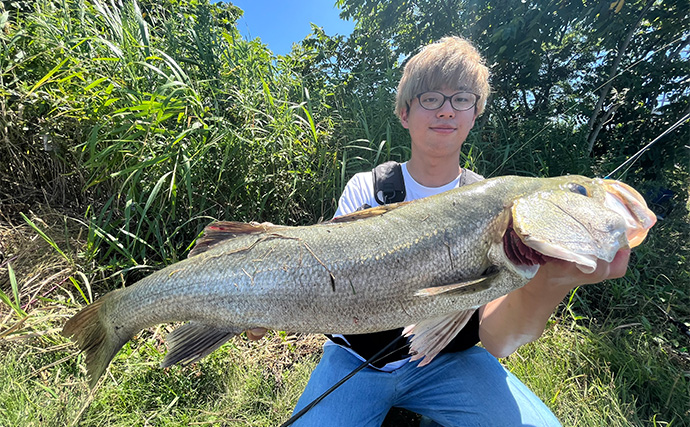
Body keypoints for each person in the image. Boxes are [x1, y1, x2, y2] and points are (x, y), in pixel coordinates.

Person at [248, 36, 630, 426]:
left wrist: (552, 281)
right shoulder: (366, 188)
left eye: (461, 99)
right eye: (430, 98)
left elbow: (497, 340)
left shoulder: (497, 204)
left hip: (451, 361)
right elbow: (325, 273)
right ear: (404, 113)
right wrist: (267, 301)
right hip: (356, 362)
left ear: (475, 112)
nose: (446, 111)